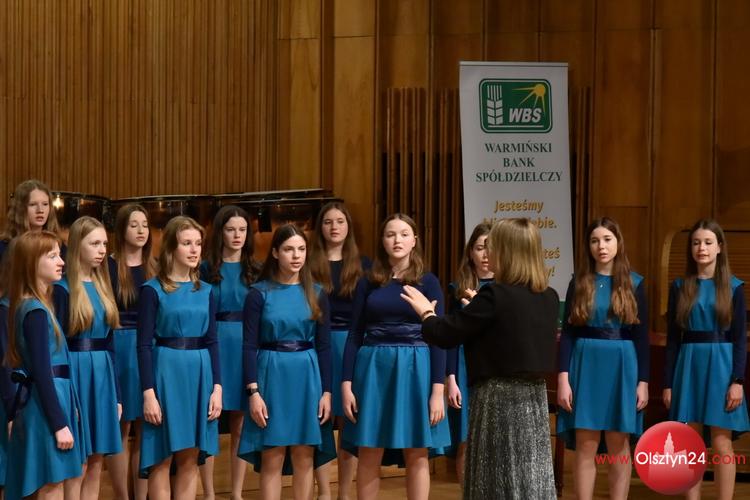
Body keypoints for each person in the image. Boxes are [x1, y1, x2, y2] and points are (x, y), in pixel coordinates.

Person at [401, 218, 558, 500]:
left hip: (497, 399)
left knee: (494, 477)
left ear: (507, 251)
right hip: (534, 399)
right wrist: (478, 308)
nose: (488, 252)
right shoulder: (549, 296)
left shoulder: (494, 296)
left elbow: (444, 333)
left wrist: (426, 312)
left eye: (493, 246)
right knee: (529, 475)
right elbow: (510, 334)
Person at [341, 213, 449, 500]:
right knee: (369, 447)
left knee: (417, 450)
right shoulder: (368, 282)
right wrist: (346, 384)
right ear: (382, 241)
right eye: (390, 234)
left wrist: (437, 391)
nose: (397, 240)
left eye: (403, 234)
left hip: (416, 368)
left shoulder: (428, 282)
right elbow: (354, 334)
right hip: (373, 369)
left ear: (414, 241)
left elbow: (439, 337)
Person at [555, 217, 649, 500]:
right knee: (586, 443)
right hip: (585, 365)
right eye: (595, 241)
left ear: (618, 242)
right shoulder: (579, 282)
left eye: (607, 239)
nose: (601, 246)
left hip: (622, 366)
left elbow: (641, 338)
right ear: (588, 246)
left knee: (618, 444)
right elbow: (568, 334)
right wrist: (563, 379)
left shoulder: (634, 283)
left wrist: (643, 382)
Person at [238, 223, 333, 500]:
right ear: (275, 253)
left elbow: (325, 347)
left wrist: (327, 392)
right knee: (273, 455)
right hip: (271, 374)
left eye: (301, 249)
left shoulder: (317, 293)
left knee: (304, 455)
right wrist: (253, 392)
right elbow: (248, 346)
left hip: (307, 376)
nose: (296, 255)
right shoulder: (258, 294)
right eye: (289, 249)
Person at [137, 216, 222, 500]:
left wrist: (217, 388)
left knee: (190, 457)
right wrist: (148, 393)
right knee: (161, 457)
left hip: (200, 375)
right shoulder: (152, 290)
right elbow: (143, 345)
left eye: (198, 243)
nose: (195, 249)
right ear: (172, 248)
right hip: (166, 372)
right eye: (187, 243)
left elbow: (212, 340)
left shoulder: (206, 290)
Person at [664, 219, 750, 500]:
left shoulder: (734, 287)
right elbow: (673, 340)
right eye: (696, 242)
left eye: (708, 242)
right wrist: (668, 383)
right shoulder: (679, 287)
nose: (701, 248)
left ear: (719, 247)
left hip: (722, 368)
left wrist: (738, 381)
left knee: (722, 443)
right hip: (688, 366)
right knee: (690, 443)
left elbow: (740, 339)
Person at [4, 231, 88, 500]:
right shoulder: (35, 311)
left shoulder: (36, 306)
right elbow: (42, 372)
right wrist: (59, 423)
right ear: (32, 263)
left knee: (53, 483)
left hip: (48, 403)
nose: (61, 261)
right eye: (52, 256)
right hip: (44, 408)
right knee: (52, 485)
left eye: (59, 255)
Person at [53, 216, 122, 500]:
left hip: (102, 376)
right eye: (94, 243)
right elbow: (56, 348)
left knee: (96, 460)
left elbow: (110, 344)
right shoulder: (62, 290)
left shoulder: (103, 285)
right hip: (76, 374)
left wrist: (117, 395)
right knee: (78, 462)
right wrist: (67, 396)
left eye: (104, 243)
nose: (102, 250)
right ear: (76, 245)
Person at [309, 201, 370, 500]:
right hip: (317, 345)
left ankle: (344, 493)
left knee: (349, 419)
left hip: (351, 345)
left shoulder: (365, 265)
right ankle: (323, 492)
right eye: (328, 222)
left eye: (340, 221)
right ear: (320, 227)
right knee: (320, 418)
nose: (334, 227)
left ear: (349, 227)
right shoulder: (307, 263)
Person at [200, 205, 261, 500]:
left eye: (242, 229)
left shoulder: (256, 269)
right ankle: (209, 493)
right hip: (213, 342)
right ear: (220, 232)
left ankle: (236, 493)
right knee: (209, 419)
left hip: (246, 345)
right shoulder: (205, 268)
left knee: (240, 422)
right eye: (230, 229)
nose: (237, 235)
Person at [105, 204, 156, 500]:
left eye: (145, 225)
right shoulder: (108, 266)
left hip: (149, 347)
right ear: (121, 229)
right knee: (122, 427)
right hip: (121, 346)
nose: (141, 230)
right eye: (134, 225)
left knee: (147, 427)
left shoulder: (155, 265)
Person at [445, 222, 493, 487]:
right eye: (479, 247)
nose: (485, 254)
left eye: (490, 247)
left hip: (494, 365)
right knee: (466, 438)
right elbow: (450, 337)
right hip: (465, 367)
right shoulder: (458, 288)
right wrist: (451, 378)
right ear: (470, 252)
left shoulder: (507, 288)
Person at [0, 179, 63, 262]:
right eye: (32, 204)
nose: (40, 210)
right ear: (20, 208)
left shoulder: (58, 246)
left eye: (45, 204)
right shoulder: (4, 248)